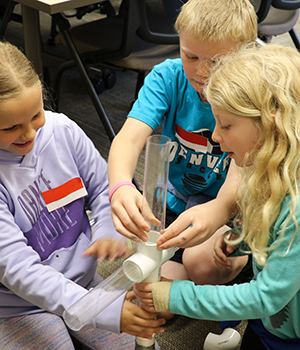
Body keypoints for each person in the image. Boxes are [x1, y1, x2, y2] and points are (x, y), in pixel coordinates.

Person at [0, 41, 165, 350]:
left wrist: (105, 229)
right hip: (17, 306)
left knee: (141, 345)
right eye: (11, 127)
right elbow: (18, 269)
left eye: (36, 115)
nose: (30, 134)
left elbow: (105, 188)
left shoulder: (62, 130)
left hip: (83, 283)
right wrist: (103, 312)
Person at [135, 44, 300, 350]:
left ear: (271, 123)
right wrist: (244, 240)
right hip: (269, 328)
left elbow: (265, 297)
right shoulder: (265, 171)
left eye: (225, 125)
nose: (214, 136)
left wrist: (175, 295)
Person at [107, 0, 257, 285]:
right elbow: (129, 138)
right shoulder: (168, 77)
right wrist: (121, 187)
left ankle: (237, 263)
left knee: (200, 263)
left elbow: (245, 164)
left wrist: (220, 209)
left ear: (246, 54)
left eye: (217, 61)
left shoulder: (253, 90)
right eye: (191, 56)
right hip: (175, 203)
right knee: (149, 289)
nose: (202, 72)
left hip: (231, 206)